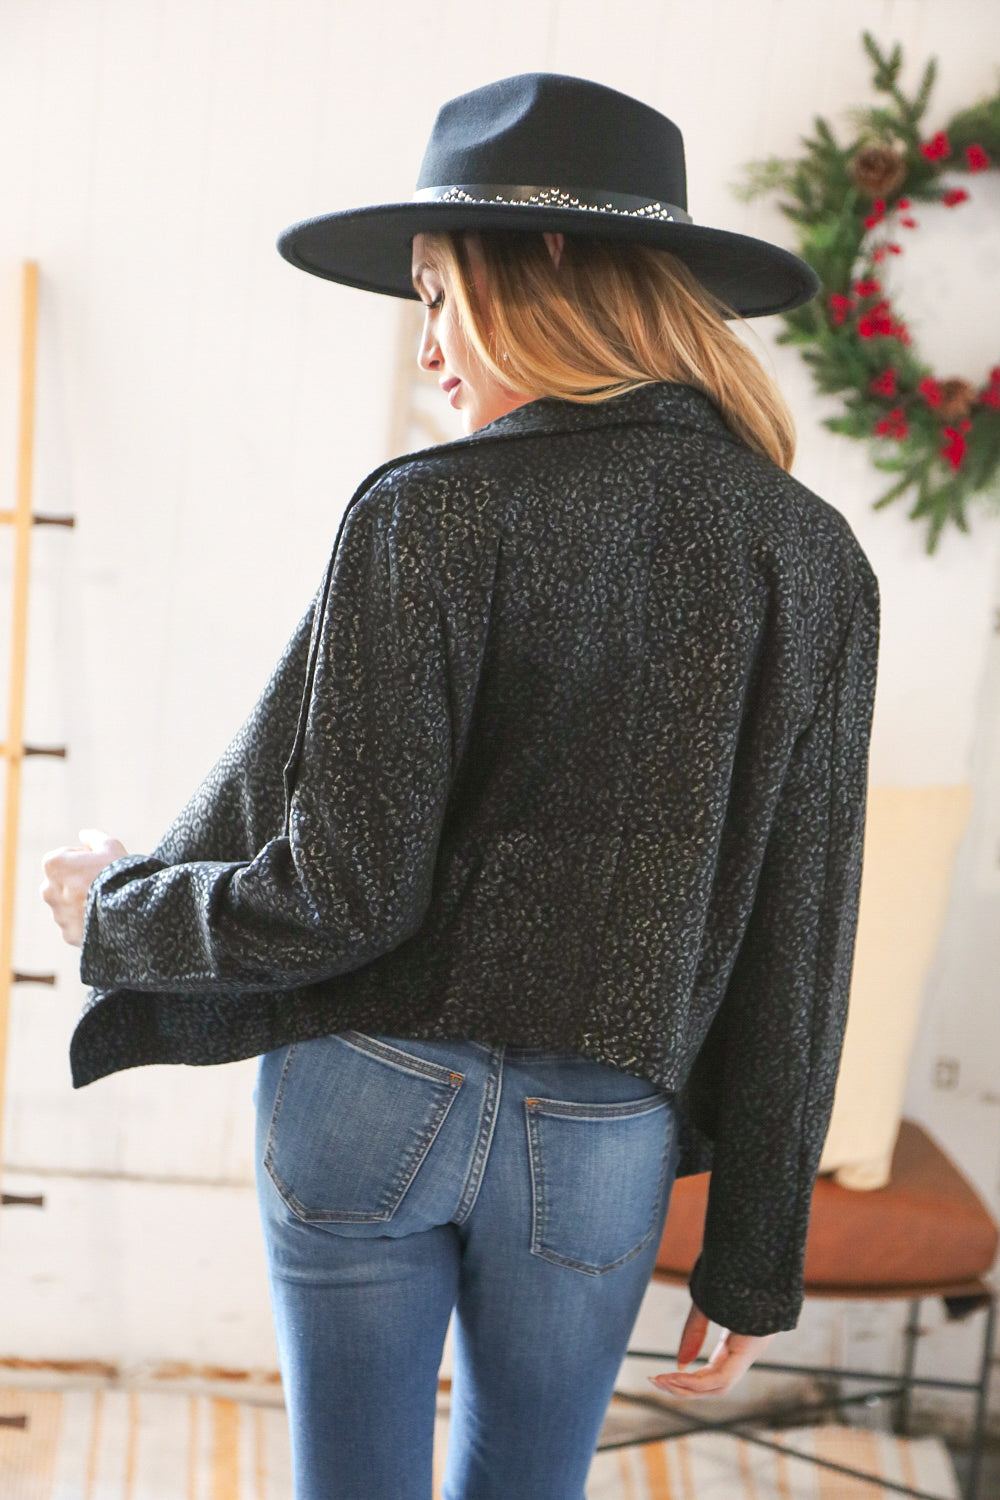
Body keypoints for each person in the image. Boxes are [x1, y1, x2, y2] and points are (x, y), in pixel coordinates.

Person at [40, 73, 880, 1500]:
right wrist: (755, 1255)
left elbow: (343, 893)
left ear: (541, 260)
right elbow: (802, 936)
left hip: (368, 1094)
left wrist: (123, 908)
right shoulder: (808, 557)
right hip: (599, 1138)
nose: (428, 342)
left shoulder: (423, 511)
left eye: (436, 293)